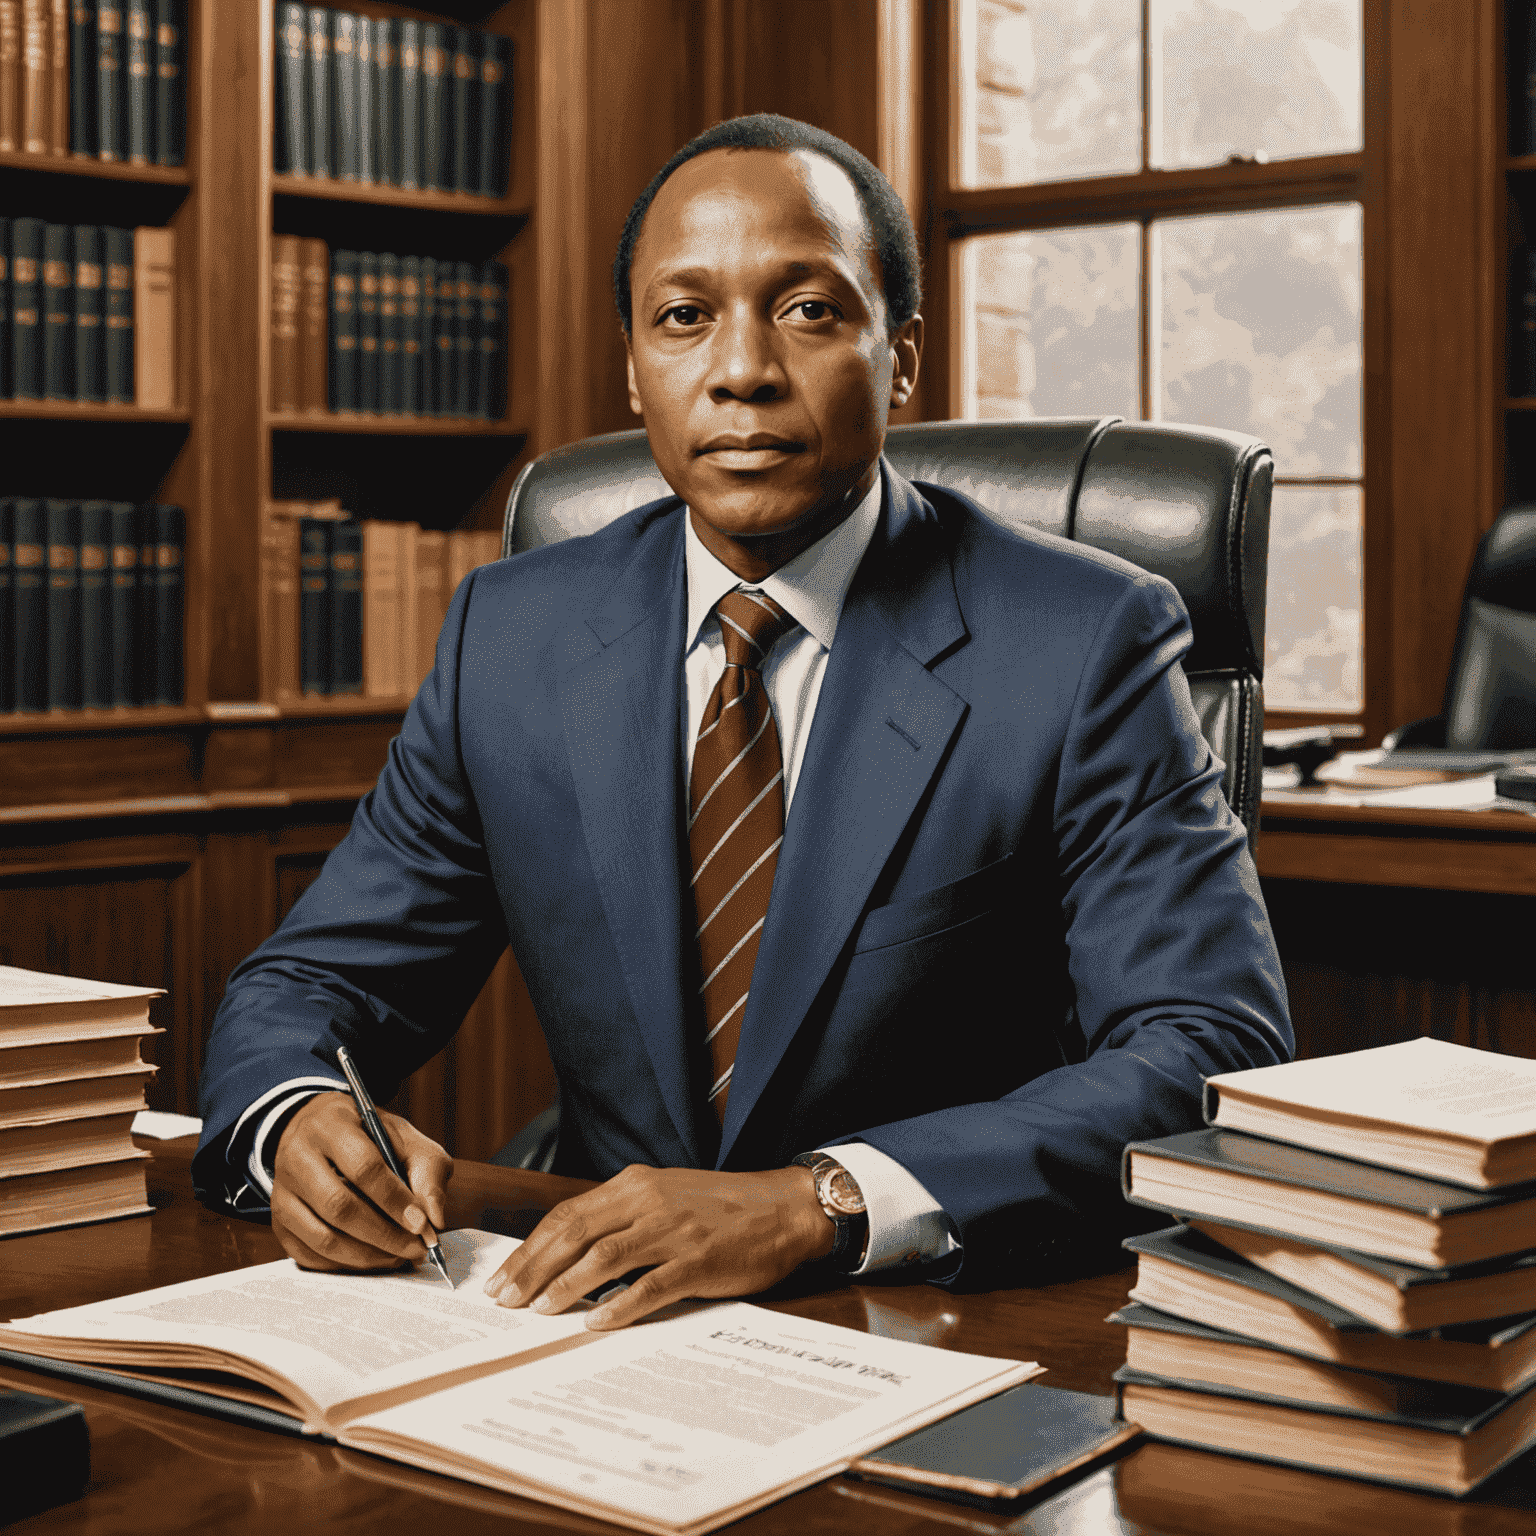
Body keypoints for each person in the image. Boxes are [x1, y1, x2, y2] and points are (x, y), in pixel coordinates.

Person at [193, 114, 1292, 1328]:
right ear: (633, 369)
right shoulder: (512, 635)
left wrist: (816, 1201)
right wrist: (299, 1117)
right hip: (597, 1326)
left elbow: (1210, 1053)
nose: (741, 371)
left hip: (934, 1319)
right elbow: (309, 983)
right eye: (684, 317)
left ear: (903, 358)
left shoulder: (1085, 639)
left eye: (810, 310)